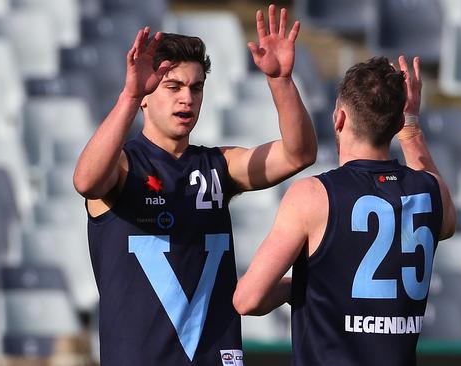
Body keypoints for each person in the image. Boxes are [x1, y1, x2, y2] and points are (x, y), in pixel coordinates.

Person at [72, 4, 317, 365]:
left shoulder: (218, 166)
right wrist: (127, 96)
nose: (187, 98)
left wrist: (280, 82)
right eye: (173, 86)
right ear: (146, 94)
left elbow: (298, 154)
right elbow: (86, 180)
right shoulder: (124, 166)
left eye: (196, 87)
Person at [233, 56, 456, 366]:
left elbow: (247, 299)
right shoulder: (431, 192)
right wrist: (412, 126)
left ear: (338, 119)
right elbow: (446, 220)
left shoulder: (313, 196)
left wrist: (299, 284)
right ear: (397, 123)